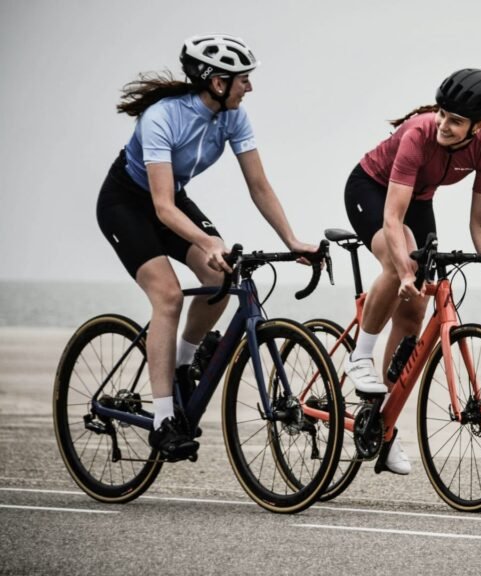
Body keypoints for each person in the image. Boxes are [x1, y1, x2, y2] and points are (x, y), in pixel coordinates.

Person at [96, 34, 318, 460]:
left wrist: (291, 240)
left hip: (170, 200)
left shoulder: (234, 117)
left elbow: (259, 185)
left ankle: (183, 363)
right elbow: (161, 208)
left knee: (221, 274)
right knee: (168, 296)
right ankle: (163, 420)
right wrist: (206, 238)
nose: (249, 87)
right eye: (243, 80)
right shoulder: (161, 118)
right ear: (218, 83)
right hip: (127, 204)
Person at [343, 68, 481, 475]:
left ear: (479, 127)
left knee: (415, 308)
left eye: (455, 121)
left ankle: (382, 425)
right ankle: (361, 356)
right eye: (442, 113)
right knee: (397, 261)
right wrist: (404, 269)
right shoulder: (418, 134)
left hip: (418, 199)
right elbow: (392, 218)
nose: (443, 124)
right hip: (371, 189)